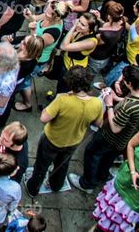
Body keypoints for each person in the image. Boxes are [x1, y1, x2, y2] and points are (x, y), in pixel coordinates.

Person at [25, 66, 103, 196]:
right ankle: (56, 185)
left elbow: (44, 118)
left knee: (41, 165)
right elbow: (98, 123)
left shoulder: (62, 99)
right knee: (62, 165)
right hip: (73, 142)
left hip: (52, 140)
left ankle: (33, 188)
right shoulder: (96, 103)